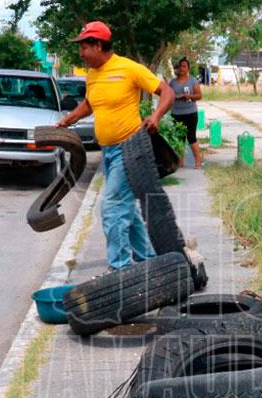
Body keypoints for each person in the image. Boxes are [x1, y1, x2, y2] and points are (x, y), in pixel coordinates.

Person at [55, 21, 176, 272]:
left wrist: (155, 117)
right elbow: (90, 104)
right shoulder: (92, 75)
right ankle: (148, 261)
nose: (81, 54)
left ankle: (119, 270)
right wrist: (68, 120)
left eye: (84, 48)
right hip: (108, 152)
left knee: (111, 206)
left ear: (99, 45)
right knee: (126, 211)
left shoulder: (129, 68)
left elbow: (166, 92)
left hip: (130, 149)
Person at [169, 57, 202, 169]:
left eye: (184, 66)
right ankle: (180, 162)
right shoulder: (172, 82)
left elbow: (199, 95)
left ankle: (198, 162)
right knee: (179, 138)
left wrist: (189, 96)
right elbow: (168, 96)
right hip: (176, 114)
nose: (181, 68)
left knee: (191, 137)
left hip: (191, 113)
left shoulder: (192, 80)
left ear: (188, 68)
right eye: (180, 66)